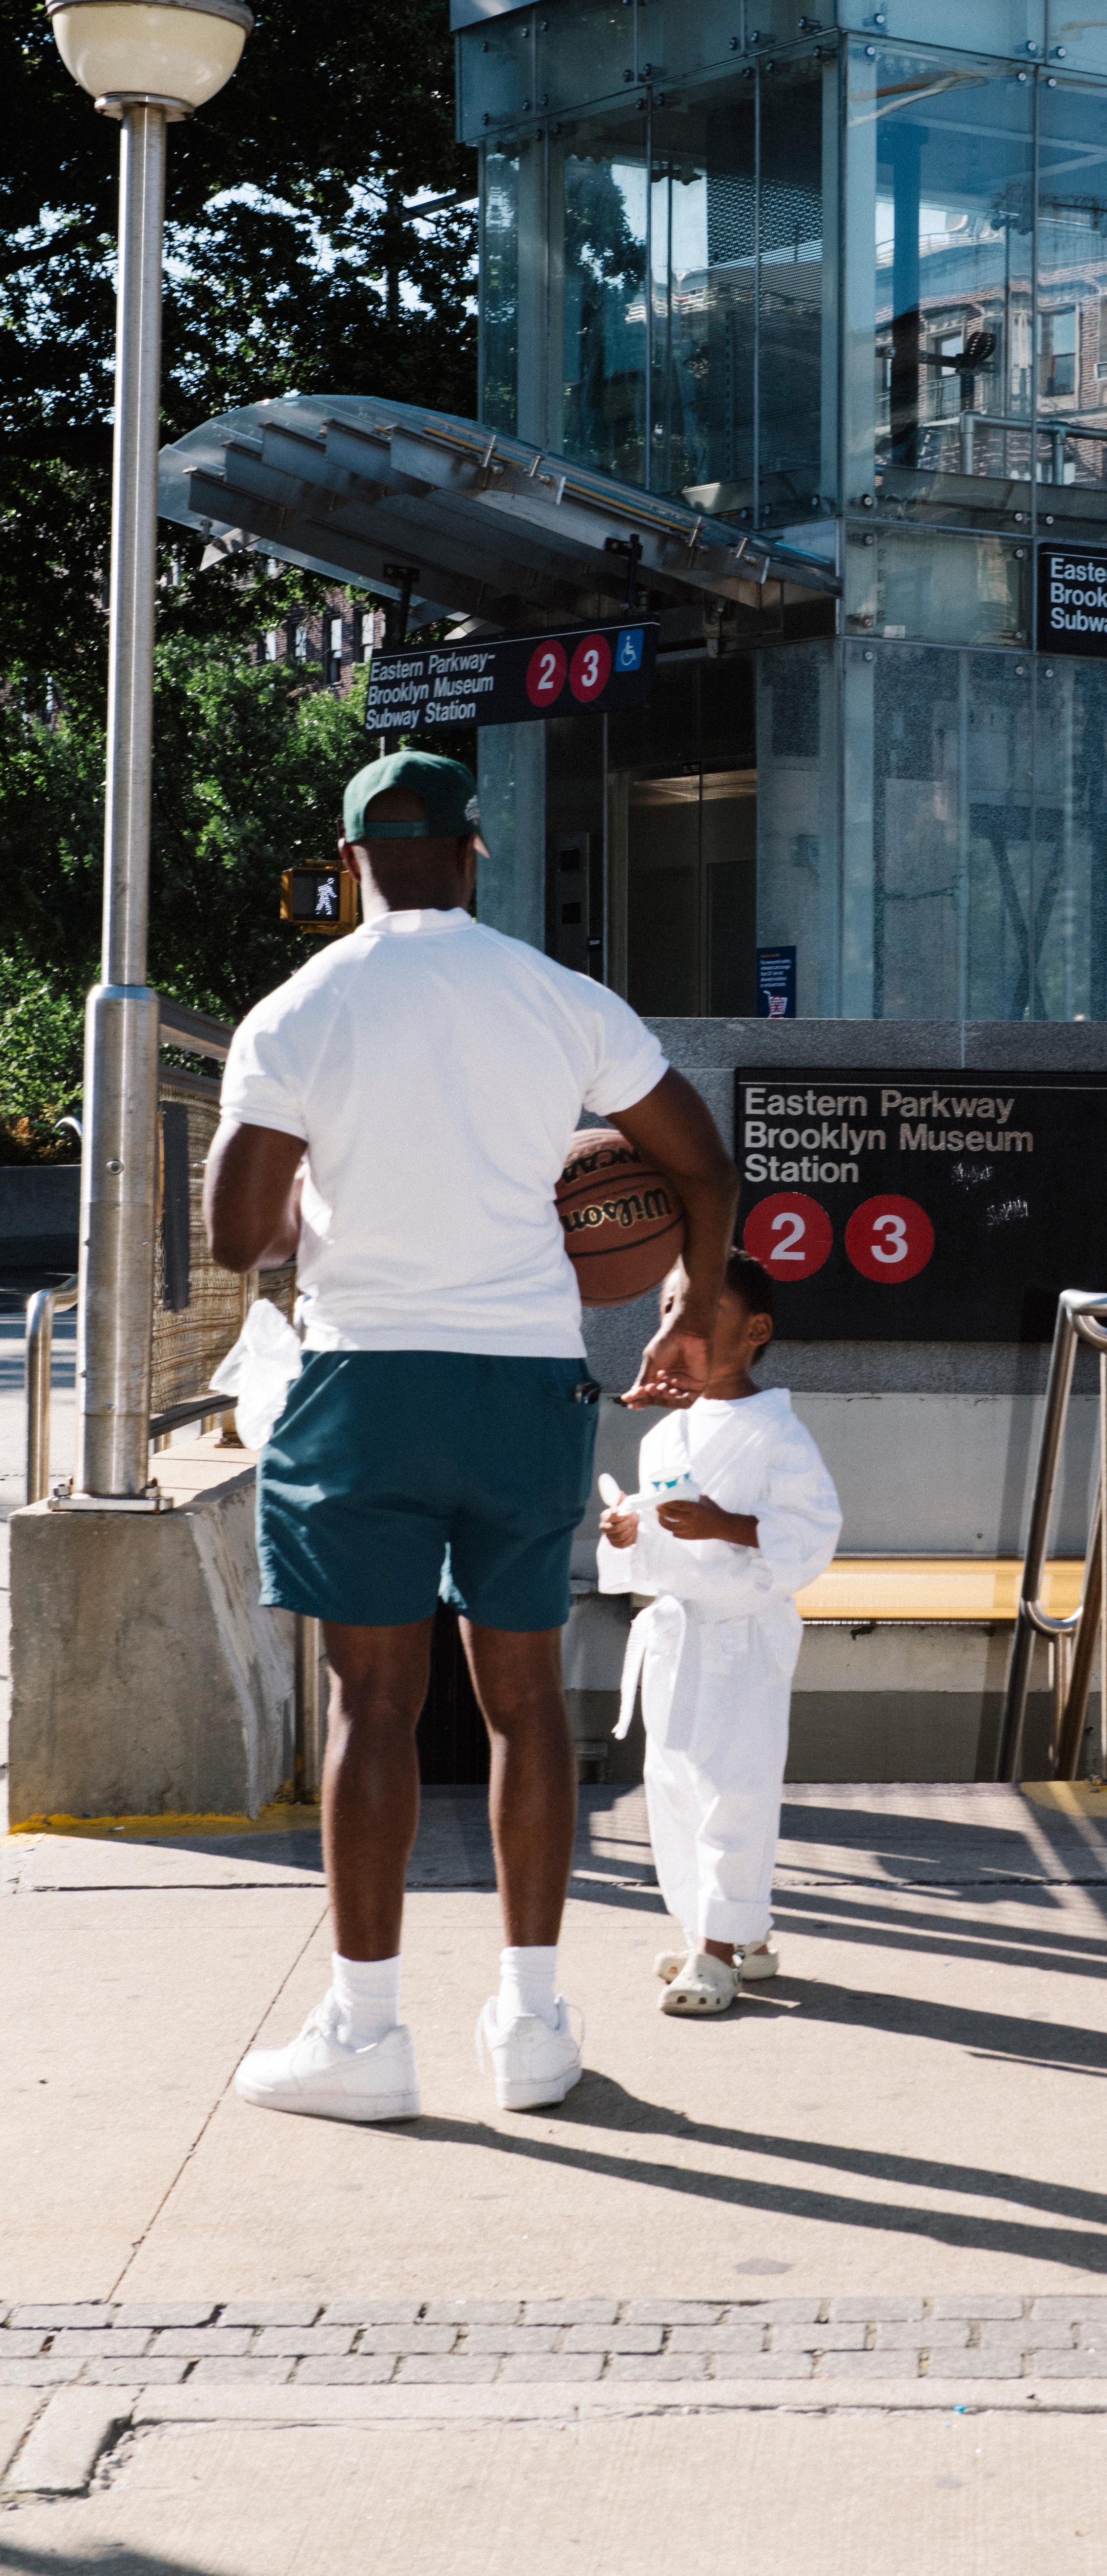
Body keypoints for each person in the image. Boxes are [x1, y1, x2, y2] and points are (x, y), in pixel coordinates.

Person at [204, 749, 738, 2123]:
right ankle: (534, 2023)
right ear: (477, 851)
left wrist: (321, 1186)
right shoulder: (560, 999)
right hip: (523, 1384)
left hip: (366, 1384)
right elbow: (698, 1165)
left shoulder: (296, 1011)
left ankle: (366, 2036)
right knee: (524, 1704)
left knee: (370, 1706)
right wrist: (687, 1302)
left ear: (350, 863)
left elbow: (236, 1236)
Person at [597, 1250, 840, 2016]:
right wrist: (628, 1536)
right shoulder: (666, 1435)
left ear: (756, 1330)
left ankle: (717, 1951)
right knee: (674, 1789)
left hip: (741, 1638)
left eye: (703, 1314)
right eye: (668, 1310)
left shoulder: (779, 1434)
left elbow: (812, 1532)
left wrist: (726, 1524)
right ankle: (729, 1930)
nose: (680, 1327)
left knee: (735, 1790)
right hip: (675, 1634)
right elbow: (659, 1537)